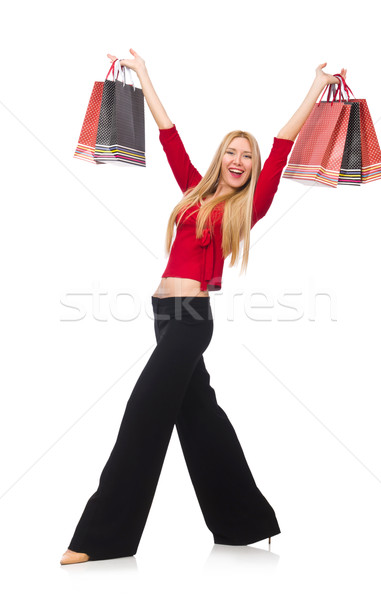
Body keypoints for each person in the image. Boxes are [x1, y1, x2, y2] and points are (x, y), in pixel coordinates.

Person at [60, 49, 346, 564]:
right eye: (233, 153)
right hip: (162, 315)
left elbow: (283, 141)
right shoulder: (193, 190)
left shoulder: (251, 205)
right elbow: (168, 133)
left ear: (254, 167)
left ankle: (102, 538)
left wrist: (316, 84)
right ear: (221, 159)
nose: (240, 161)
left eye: (248, 157)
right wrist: (143, 75)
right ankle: (245, 524)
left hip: (192, 321)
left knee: (144, 411)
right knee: (200, 418)